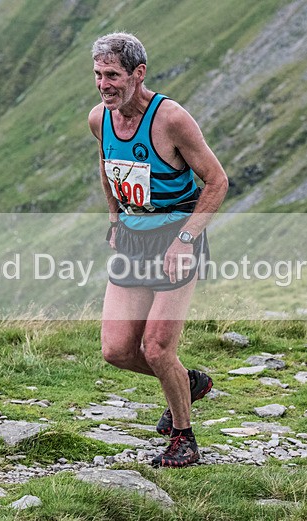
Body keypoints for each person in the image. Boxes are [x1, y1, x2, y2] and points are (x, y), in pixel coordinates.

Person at [88, 32, 228, 467]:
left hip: (175, 236)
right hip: (132, 237)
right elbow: (107, 164)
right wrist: (114, 218)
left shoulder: (171, 119)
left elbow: (217, 181)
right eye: (97, 75)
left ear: (138, 74)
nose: (103, 84)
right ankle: (187, 382)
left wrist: (185, 240)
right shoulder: (99, 118)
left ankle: (184, 440)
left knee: (157, 348)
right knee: (116, 349)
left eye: (112, 75)